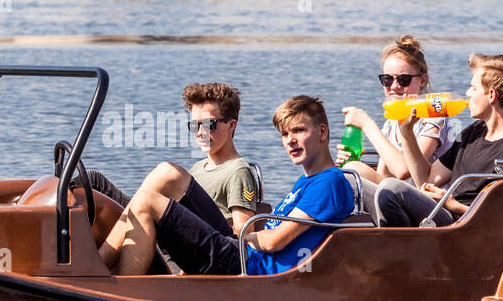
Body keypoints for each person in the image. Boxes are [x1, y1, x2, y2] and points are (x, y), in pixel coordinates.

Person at [99, 95, 353, 276]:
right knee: (149, 180)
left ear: (322, 132)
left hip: (244, 264)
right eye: (285, 134)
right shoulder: (309, 181)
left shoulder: (329, 182)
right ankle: (102, 270)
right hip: (241, 251)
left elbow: (275, 241)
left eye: (299, 131)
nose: (290, 141)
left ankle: (117, 289)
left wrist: (240, 236)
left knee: (146, 202)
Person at [373, 53, 503, 227]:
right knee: (354, 182)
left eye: (473, 88)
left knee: (391, 189)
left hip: (465, 227)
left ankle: (400, 251)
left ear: (491, 95)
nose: (467, 93)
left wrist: (453, 205)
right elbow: (425, 180)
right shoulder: (472, 133)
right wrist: (406, 132)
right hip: (445, 215)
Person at [86, 82, 261, 234]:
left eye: (209, 125)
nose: (200, 133)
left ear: (231, 126)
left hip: (199, 246)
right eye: (194, 125)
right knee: (93, 181)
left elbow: (243, 234)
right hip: (169, 233)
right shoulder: (198, 169)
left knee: (167, 172)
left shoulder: (237, 171)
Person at [339, 34, 457, 183]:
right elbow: (383, 177)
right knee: (346, 171)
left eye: (403, 79)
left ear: (423, 80)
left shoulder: (434, 115)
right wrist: (348, 164)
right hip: (399, 197)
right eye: (387, 79)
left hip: (431, 200)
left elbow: (404, 171)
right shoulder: (392, 121)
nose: (394, 86)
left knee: (354, 170)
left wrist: (367, 125)